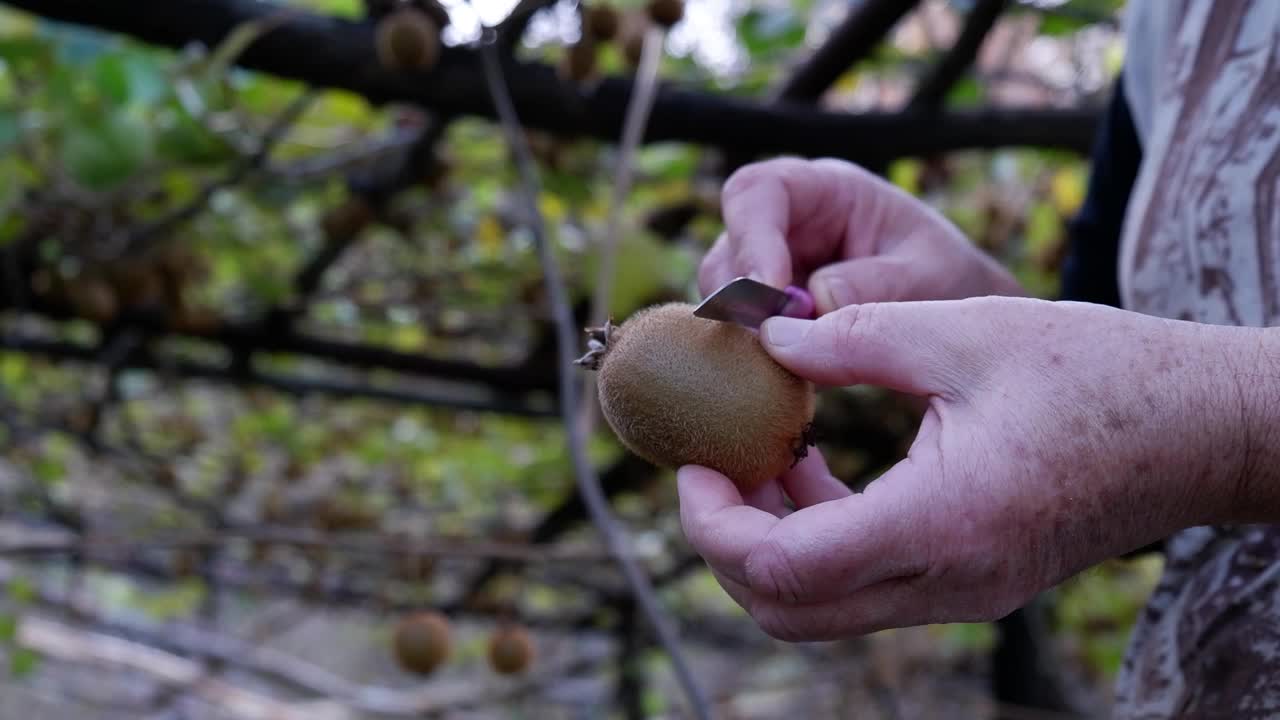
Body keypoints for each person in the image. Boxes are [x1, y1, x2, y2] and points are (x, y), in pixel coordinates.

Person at [675, 0, 1280, 715]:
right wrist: (962, 293)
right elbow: (1120, 384)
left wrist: (1231, 427)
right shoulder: (1171, 20)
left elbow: (1163, 412)